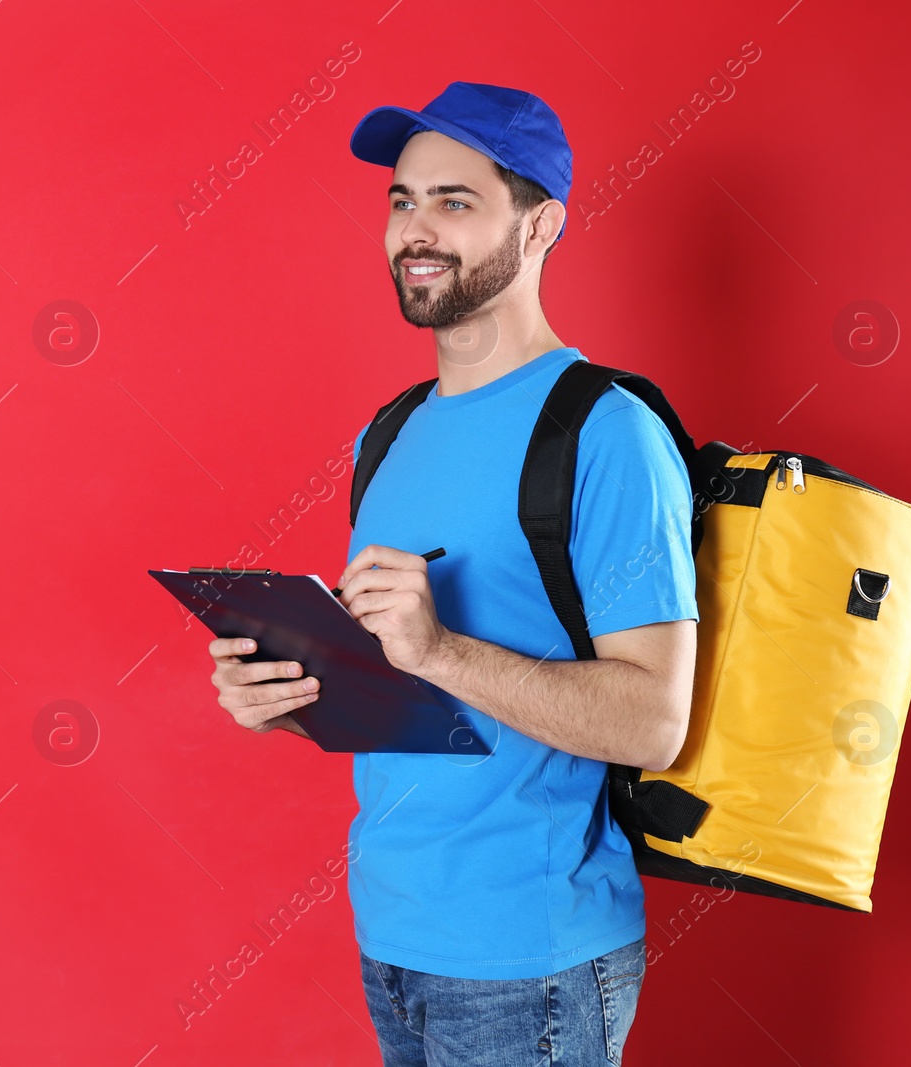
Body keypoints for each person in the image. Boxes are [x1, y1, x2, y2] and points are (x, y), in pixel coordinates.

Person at [208, 81, 699, 1066]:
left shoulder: (605, 432)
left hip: (530, 954)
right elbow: (413, 693)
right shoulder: (387, 433)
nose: (415, 229)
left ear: (541, 223)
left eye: (455, 201)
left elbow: (654, 721)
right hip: (393, 928)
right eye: (402, 200)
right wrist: (289, 692)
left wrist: (437, 645)